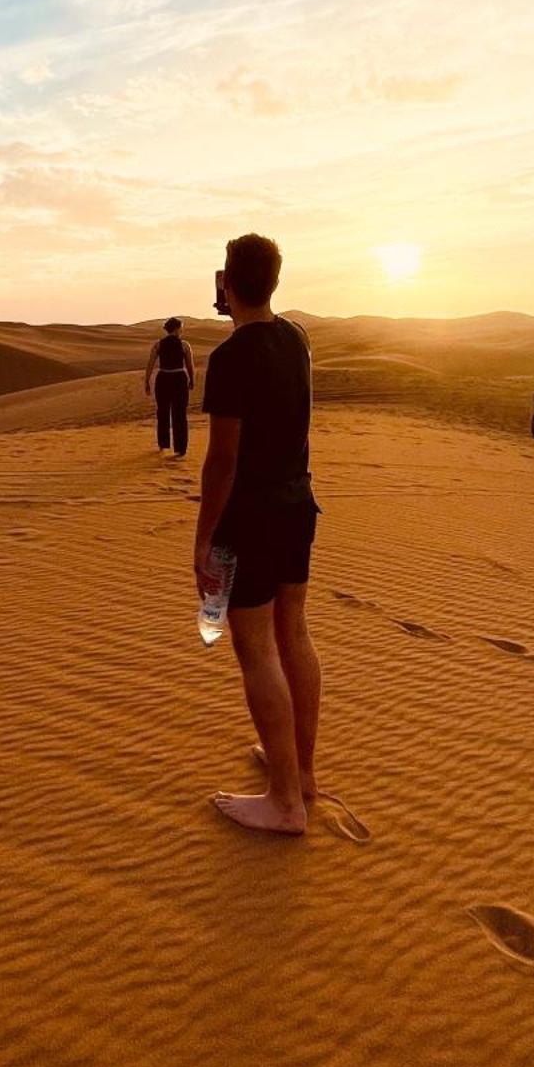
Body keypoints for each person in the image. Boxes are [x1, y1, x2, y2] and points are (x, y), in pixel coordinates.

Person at [194, 233, 320, 836]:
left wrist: (203, 540)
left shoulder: (232, 357)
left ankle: (284, 801)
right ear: (274, 279)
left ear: (226, 280)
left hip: (253, 516)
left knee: (256, 649)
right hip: (298, 507)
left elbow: (222, 462)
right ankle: (303, 775)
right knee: (293, 633)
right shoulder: (296, 337)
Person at [144, 318, 196, 457]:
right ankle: (180, 448)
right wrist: (192, 380)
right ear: (177, 328)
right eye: (181, 328)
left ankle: (163, 444)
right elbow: (190, 365)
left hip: (163, 379)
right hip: (179, 379)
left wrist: (147, 381)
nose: (182, 330)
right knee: (180, 414)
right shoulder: (185, 345)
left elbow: (150, 364)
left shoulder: (158, 345)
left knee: (163, 412)